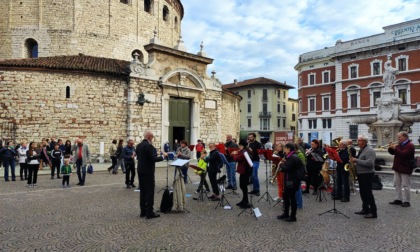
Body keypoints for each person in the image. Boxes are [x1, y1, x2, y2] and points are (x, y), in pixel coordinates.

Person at [136, 130, 167, 219]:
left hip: (140, 171)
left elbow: (140, 157)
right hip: (148, 172)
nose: (153, 139)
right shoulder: (149, 146)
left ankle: (143, 211)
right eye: (152, 137)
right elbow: (154, 159)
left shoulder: (138, 146)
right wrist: (163, 156)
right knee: (149, 192)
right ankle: (149, 212)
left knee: (143, 192)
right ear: (149, 137)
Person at [350, 135, 377, 218]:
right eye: (358, 140)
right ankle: (365, 208)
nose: (358, 142)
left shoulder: (369, 150)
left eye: (360, 140)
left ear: (365, 141)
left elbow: (370, 163)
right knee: (363, 192)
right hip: (361, 173)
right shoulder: (362, 149)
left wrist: (356, 160)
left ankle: (373, 212)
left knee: (368, 193)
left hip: (367, 174)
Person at [388, 131, 415, 207]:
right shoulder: (399, 144)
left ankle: (407, 201)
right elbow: (393, 153)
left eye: (400, 137)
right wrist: (390, 148)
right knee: (396, 184)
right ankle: (398, 199)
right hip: (397, 167)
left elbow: (403, 154)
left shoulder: (410, 145)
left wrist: (395, 148)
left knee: (406, 185)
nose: (398, 138)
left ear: (405, 137)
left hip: (405, 167)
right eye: (398, 137)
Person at [277, 143, 301, 222]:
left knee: (292, 198)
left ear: (289, 149)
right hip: (289, 180)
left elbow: (286, 169)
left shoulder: (292, 158)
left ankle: (293, 216)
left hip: (292, 181)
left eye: (285, 149)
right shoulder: (290, 157)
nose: (284, 151)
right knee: (286, 197)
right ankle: (286, 213)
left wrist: (281, 165)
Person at [232, 140, 252, 209]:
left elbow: (237, 159)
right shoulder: (242, 151)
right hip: (243, 171)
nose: (239, 147)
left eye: (240, 146)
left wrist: (234, 154)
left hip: (245, 171)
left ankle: (246, 201)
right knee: (242, 186)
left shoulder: (244, 152)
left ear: (243, 146)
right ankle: (244, 200)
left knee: (243, 186)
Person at [294, 143, 306, 209]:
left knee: (298, 189)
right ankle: (295, 202)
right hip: (295, 173)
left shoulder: (300, 154)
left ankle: (299, 204)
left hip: (299, 173)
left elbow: (303, 163)